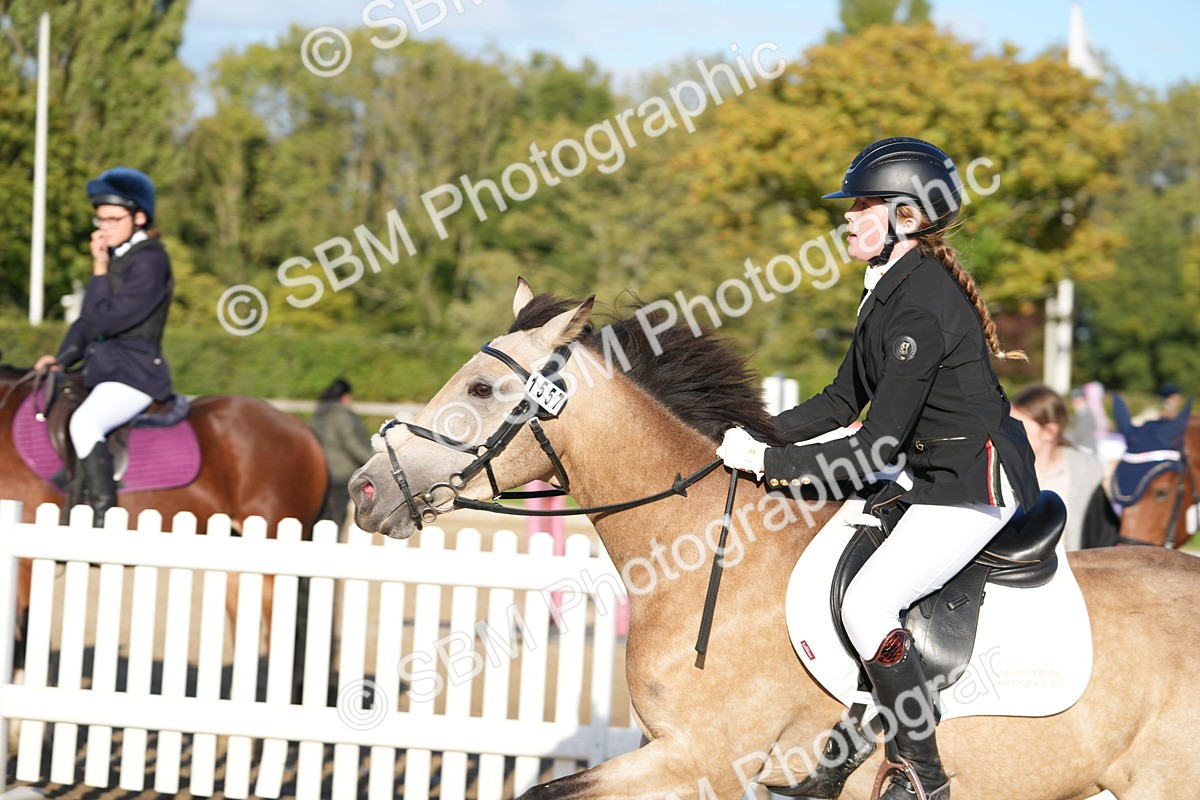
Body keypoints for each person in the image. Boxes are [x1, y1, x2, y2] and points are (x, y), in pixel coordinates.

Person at [717, 138, 1039, 800]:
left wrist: (770, 463)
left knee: (868, 604)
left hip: (970, 485)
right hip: (929, 476)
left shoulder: (921, 302)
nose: (848, 216)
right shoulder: (888, 289)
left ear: (908, 218)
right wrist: (751, 430)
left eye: (864, 205)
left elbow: (876, 446)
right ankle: (836, 767)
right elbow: (841, 401)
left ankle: (923, 776)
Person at [34, 167, 173, 526]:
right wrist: (61, 359)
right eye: (101, 218)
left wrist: (98, 270)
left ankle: (102, 518)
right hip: (103, 371)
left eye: (114, 219)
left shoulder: (150, 260)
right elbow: (86, 323)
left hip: (135, 373)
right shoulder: (118, 258)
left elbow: (107, 321)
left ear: (139, 217)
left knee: (85, 422)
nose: (104, 226)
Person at [1011, 385, 1107, 552]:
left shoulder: (1086, 473)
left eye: (1019, 428)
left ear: (1050, 432)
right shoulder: (1002, 471)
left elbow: (1101, 539)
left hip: (1074, 571)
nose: (1009, 435)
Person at [309, 378, 374, 532]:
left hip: (318, 471)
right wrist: (371, 462)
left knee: (320, 516)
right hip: (340, 474)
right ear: (346, 396)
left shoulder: (319, 414)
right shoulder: (343, 416)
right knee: (336, 516)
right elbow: (352, 444)